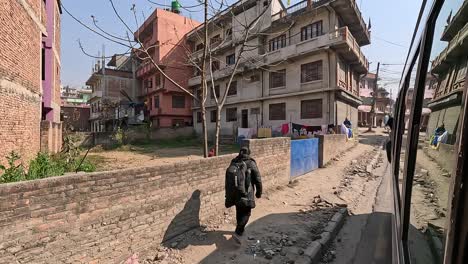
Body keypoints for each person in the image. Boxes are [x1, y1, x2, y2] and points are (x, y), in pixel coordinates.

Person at [225, 147, 262, 244]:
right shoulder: (251, 163)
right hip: (247, 193)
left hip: (235, 192)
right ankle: (238, 232)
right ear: (249, 153)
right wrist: (259, 192)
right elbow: (258, 179)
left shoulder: (234, 161)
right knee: (247, 213)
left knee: (239, 210)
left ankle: (240, 228)